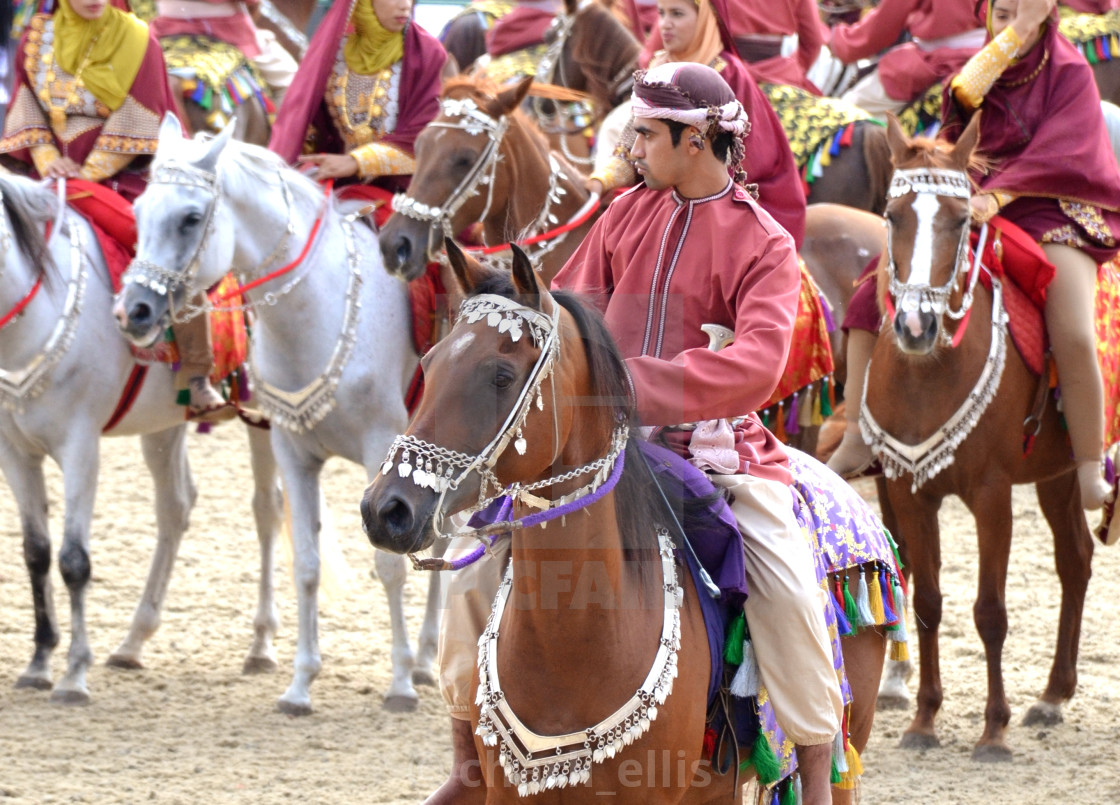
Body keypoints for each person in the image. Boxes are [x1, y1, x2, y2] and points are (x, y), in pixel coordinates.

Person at [430, 62, 844, 805]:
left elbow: (759, 362)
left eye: (646, 133)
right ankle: (468, 763)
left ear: (696, 141)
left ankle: (817, 770)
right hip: (602, 447)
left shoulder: (766, 244)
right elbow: (569, 313)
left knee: (785, 586)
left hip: (716, 453)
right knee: (474, 568)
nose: (630, 145)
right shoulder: (625, 214)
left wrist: (630, 384)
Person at [828, 0, 1120, 515]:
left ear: (1047, 16)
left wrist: (1000, 197)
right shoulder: (985, 65)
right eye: (999, 15)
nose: (1009, 27)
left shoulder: (1071, 71)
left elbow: (1063, 153)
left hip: (1054, 210)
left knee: (1072, 329)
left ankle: (1090, 464)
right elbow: (960, 99)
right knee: (872, 286)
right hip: (971, 201)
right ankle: (855, 429)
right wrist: (1011, 38)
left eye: (1021, 15)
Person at [0, 0, 232, 421]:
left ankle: (196, 374)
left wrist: (85, 173)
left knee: (157, 246)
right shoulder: (36, 37)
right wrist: (47, 156)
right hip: (45, 173)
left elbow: (139, 112)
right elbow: (27, 100)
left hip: (118, 177)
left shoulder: (138, 38)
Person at [590, 0, 807, 249]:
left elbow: (743, 160)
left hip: (717, 195)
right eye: (661, 13)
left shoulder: (728, 73)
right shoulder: (658, 67)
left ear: (706, 19)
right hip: (668, 185)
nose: (665, 24)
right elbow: (633, 139)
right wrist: (601, 180)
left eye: (677, 14)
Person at [268, 0, 447, 194]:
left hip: (406, 194)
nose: (405, 5)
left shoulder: (426, 53)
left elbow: (428, 133)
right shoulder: (334, 52)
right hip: (337, 185)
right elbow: (310, 124)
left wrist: (358, 162)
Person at [829, 0, 985, 118]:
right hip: (992, 60)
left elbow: (884, 24)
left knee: (842, 118)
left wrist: (841, 42)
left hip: (933, 63)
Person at [640, 0, 826, 92]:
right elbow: (813, 43)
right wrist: (789, 69)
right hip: (781, 77)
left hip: (719, 76)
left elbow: (650, 54)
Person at [147, 0, 299, 100]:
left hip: (165, 32)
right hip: (226, 31)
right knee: (293, 80)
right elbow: (252, 4)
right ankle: (282, 144)